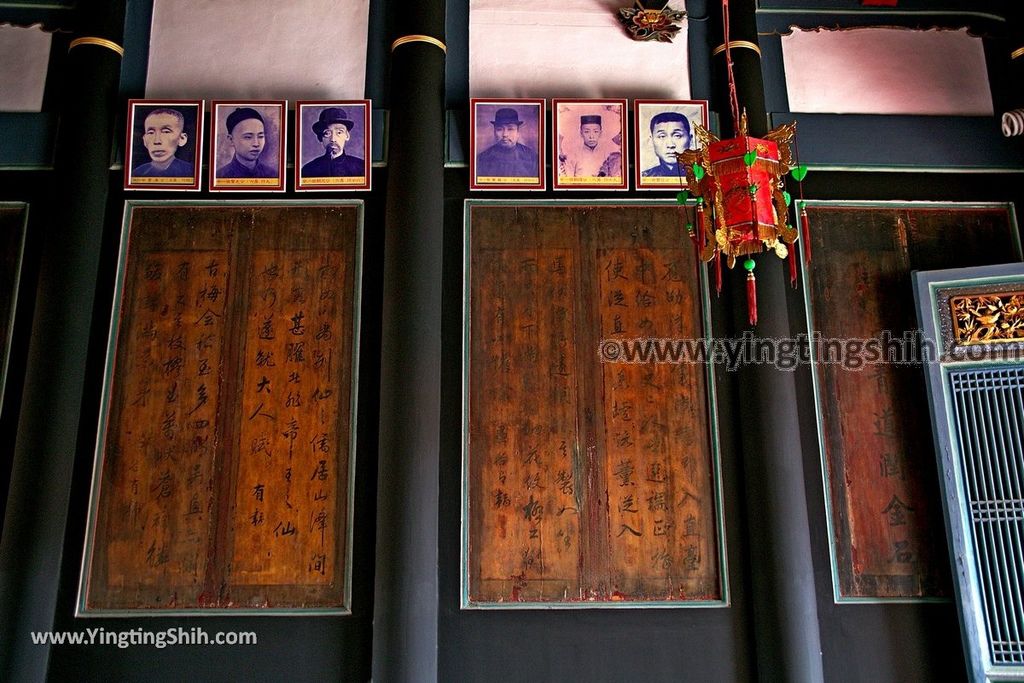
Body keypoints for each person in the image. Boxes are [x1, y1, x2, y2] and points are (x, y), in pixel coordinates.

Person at [300, 107, 365, 177]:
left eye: (339, 132)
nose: (333, 139)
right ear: (320, 138)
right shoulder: (309, 169)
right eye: (327, 133)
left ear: (347, 136)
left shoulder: (360, 167)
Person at [475, 107, 538, 178]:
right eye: (499, 129)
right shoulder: (482, 159)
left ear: (518, 132)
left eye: (510, 129)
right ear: (494, 131)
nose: (505, 134)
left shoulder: (532, 158)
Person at [132, 108, 194, 178]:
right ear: (144, 140)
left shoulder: (190, 171)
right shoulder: (137, 173)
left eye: (166, 132)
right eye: (151, 133)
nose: (157, 141)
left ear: (182, 139)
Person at [217, 107, 276, 179]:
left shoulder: (273, 175)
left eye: (260, 136)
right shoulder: (220, 176)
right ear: (231, 140)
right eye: (248, 137)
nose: (256, 144)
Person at [559, 114, 620, 178]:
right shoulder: (572, 156)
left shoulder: (609, 155)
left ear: (600, 133)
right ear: (581, 133)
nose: (591, 136)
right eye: (586, 132)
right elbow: (567, 181)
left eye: (596, 131)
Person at [641, 111, 692, 178]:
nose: (670, 145)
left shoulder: (702, 176)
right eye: (662, 136)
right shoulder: (645, 177)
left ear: (690, 140)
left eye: (677, 136)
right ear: (651, 141)